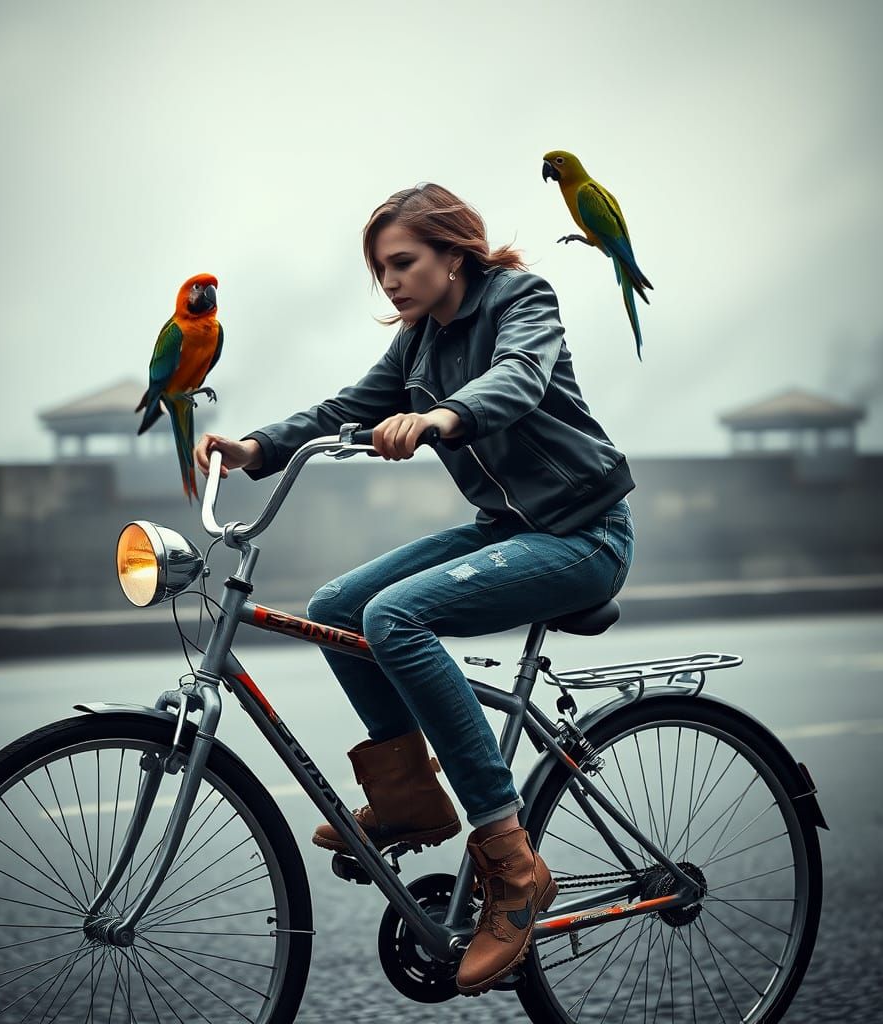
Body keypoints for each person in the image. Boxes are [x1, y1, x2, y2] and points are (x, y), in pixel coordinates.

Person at [193, 182, 635, 995]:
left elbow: (519, 380)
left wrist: (439, 420)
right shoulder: (418, 344)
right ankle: (410, 803)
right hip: (509, 530)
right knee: (335, 608)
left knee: (396, 616)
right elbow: (347, 408)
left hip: (585, 533)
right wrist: (254, 446)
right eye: (381, 271)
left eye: (403, 263)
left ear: (453, 252)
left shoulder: (520, 299)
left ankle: (511, 862)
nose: (391, 282)